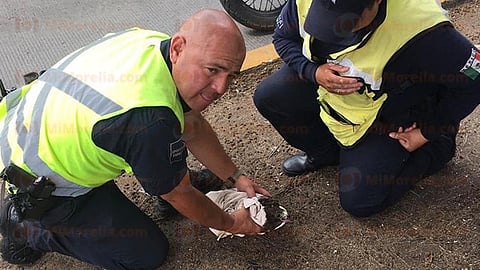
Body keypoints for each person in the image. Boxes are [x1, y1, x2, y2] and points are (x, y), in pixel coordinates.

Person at [0, 9, 271, 269]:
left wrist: (235, 176)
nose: (222, 87)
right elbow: (179, 194)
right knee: (146, 254)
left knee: (159, 145)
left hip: (44, 132)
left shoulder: (153, 44)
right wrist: (231, 223)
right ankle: (23, 226)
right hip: (41, 181)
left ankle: (162, 173)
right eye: (213, 70)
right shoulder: (149, 119)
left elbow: (192, 125)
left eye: (231, 75)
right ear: (177, 48)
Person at [254, 0, 480, 217]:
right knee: (271, 97)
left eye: (349, 19)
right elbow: (283, 37)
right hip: (334, 91)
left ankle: (437, 146)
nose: (337, 30)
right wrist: (312, 71)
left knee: (361, 202)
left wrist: (427, 132)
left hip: (391, 110)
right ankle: (328, 155)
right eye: (325, 16)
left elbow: (476, 79)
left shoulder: (424, 29)